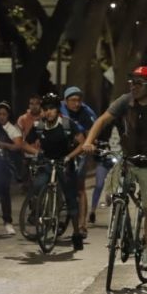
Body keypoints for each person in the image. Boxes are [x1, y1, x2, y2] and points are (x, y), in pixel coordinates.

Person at [82, 66, 147, 270]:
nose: (134, 87)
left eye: (139, 83)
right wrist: (89, 142)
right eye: (132, 83)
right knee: (113, 188)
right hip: (129, 158)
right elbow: (102, 120)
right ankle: (120, 222)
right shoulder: (124, 101)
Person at [23, 93, 87, 250]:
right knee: (37, 185)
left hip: (64, 162)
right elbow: (24, 143)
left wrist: (69, 157)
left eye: (52, 108)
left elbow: (82, 143)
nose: (49, 112)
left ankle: (77, 233)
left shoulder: (66, 124)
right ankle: (39, 212)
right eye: (46, 109)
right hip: (47, 161)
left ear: (57, 110)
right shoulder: (39, 125)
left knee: (71, 198)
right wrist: (36, 152)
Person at [61, 86, 98, 237]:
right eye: (73, 100)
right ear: (65, 100)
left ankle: (82, 225)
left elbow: (92, 134)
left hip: (80, 149)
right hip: (61, 147)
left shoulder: (87, 113)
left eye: (78, 100)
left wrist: (90, 144)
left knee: (79, 188)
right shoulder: (58, 108)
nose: (76, 104)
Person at [0, 101, 23, 236]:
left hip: (5, 163)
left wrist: (2, 144)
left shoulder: (12, 129)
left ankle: (8, 222)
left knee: (4, 190)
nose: (1, 117)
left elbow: (18, 146)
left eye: (4, 114)